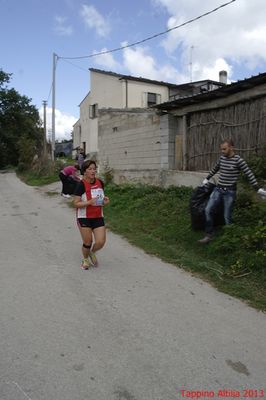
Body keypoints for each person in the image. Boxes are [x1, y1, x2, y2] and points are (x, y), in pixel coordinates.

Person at [198, 139, 265, 244]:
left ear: (231, 148)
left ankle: (229, 239)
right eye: (221, 149)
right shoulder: (221, 158)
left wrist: (257, 188)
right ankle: (209, 235)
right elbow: (215, 169)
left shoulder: (239, 161)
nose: (222, 151)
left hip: (229, 192)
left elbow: (249, 174)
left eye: (224, 149)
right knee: (208, 210)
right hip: (218, 189)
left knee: (227, 216)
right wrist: (207, 178)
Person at [73, 160, 110, 269]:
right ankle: (85, 259)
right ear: (84, 171)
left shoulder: (100, 182)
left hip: (98, 216)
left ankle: (92, 253)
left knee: (101, 242)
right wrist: (89, 202)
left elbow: (100, 198)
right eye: (90, 169)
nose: (93, 171)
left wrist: (104, 201)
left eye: (94, 168)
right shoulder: (81, 185)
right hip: (84, 217)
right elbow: (76, 203)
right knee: (88, 242)